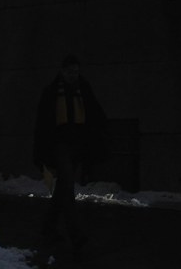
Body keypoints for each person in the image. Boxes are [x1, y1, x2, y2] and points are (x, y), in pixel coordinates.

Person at [33, 55, 107, 250]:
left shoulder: (83, 89)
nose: (73, 75)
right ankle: (76, 235)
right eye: (69, 71)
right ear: (62, 71)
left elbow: (96, 115)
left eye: (75, 71)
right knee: (67, 190)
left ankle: (48, 227)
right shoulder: (52, 92)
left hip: (77, 145)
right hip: (60, 145)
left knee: (62, 189)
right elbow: (42, 125)